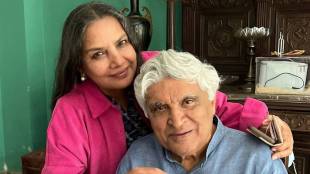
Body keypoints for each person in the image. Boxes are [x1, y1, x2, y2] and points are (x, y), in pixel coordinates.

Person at [42, 2, 293, 174]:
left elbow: (214, 104)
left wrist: (270, 125)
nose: (118, 60)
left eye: (122, 43)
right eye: (98, 54)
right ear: (81, 66)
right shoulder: (72, 112)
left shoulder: (158, 68)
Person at [117, 49, 287, 174]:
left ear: (212, 103)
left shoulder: (256, 159)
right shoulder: (137, 158)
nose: (176, 121)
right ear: (148, 115)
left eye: (188, 102)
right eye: (160, 108)